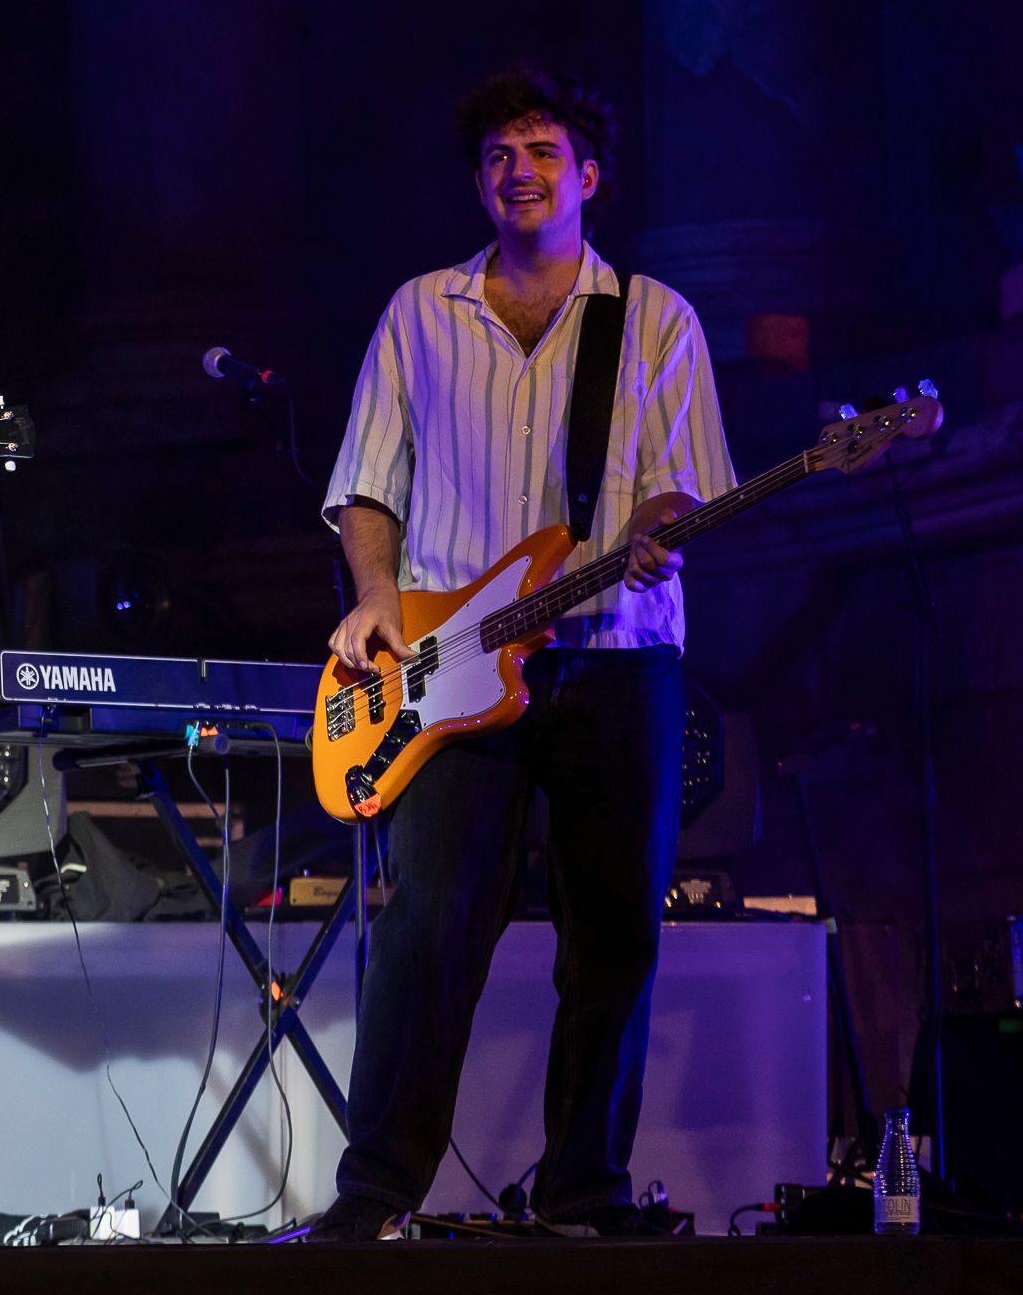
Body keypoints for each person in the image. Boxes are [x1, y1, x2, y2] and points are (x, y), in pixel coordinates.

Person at [310, 65, 736, 1241]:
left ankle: (584, 1190)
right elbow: (363, 483)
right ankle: (376, 1192)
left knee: (614, 930)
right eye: (499, 155)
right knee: (427, 923)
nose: (518, 170)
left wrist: (657, 528)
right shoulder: (418, 311)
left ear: (587, 177)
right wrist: (377, 596)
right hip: (450, 670)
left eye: (542, 151)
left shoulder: (654, 320)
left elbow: (680, 482)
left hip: (618, 656)